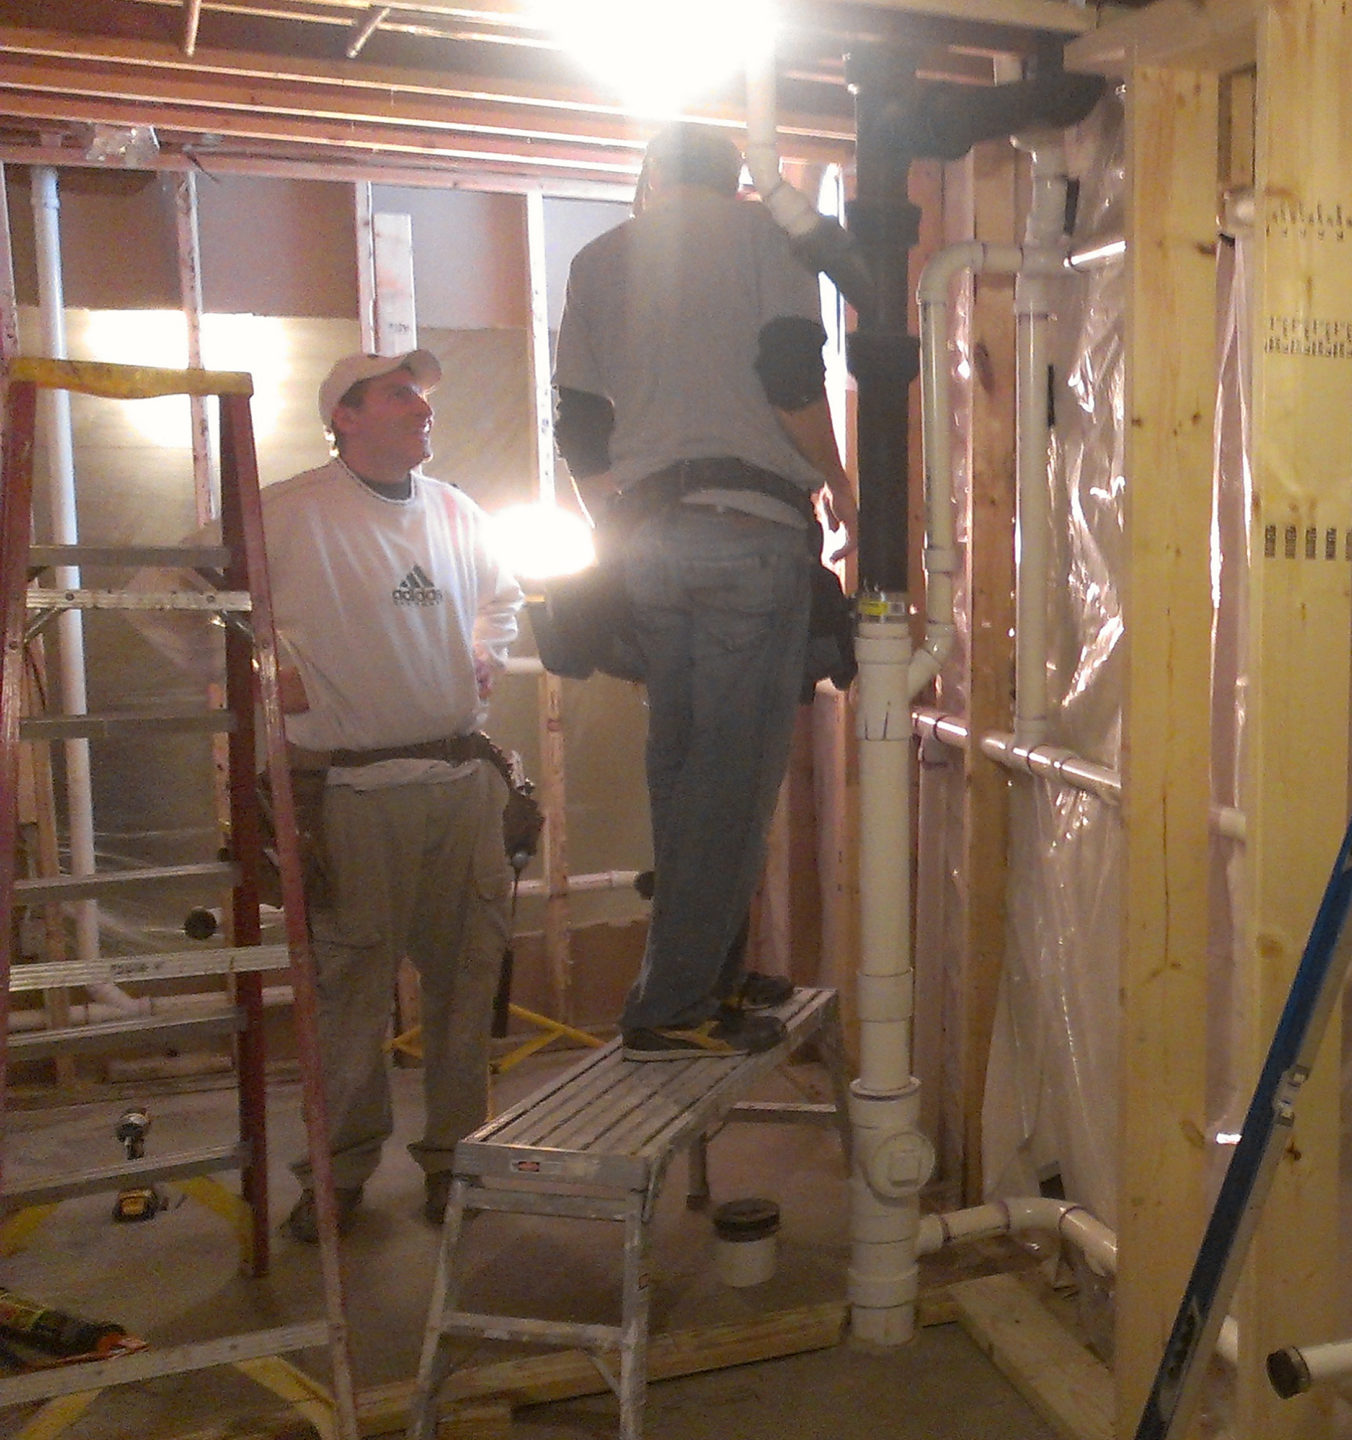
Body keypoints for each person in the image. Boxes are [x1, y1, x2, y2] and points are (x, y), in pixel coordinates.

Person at [148, 350, 525, 1241]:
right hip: (351, 794)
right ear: (345, 416)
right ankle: (339, 1171)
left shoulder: (457, 510)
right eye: (401, 394)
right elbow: (161, 593)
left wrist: (485, 648)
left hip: (461, 781)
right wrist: (257, 677)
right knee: (350, 994)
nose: (421, 408)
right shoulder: (289, 511)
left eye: (424, 396)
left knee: (466, 986)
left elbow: (501, 598)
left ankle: (455, 1163)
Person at [552, 124, 854, 1060]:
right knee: (734, 775)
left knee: (682, 766)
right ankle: (674, 1006)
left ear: (652, 175)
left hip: (646, 543)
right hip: (747, 532)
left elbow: (581, 427)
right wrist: (841, 482)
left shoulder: (599, 257)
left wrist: (618, 525)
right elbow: (791, 376)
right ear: (735, 180)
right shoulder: (769, 238)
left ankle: (704, 974)